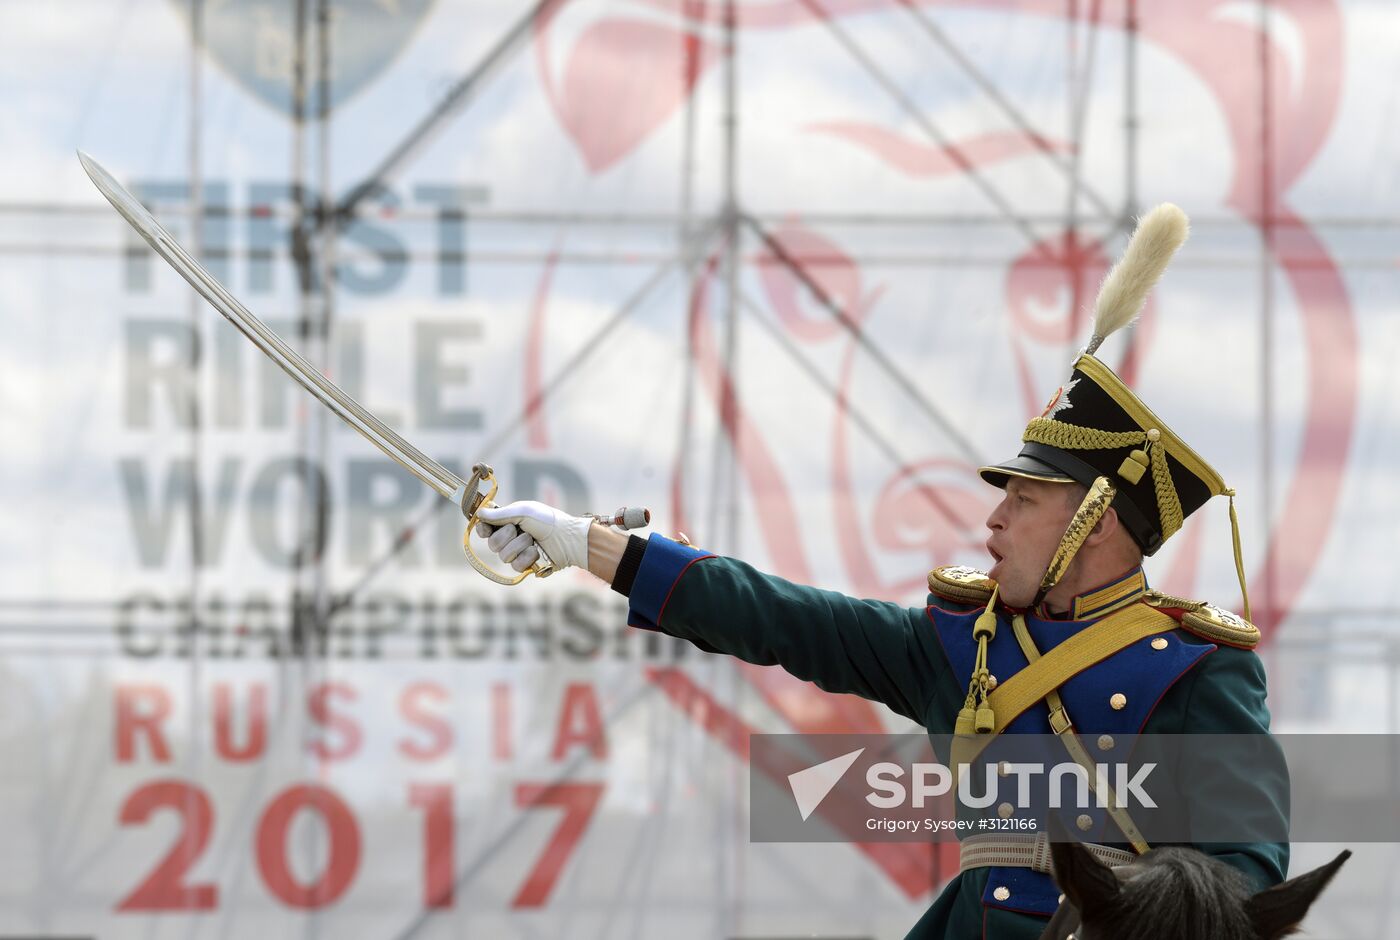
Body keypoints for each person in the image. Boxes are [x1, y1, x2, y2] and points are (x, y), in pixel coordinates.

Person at [475, 206, 1289, 939]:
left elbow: (1246, 877)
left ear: (1097, 521)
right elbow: (781, 616)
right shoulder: (958, 644)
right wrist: (587, 544)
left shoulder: (1200, 671)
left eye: (1024, 500)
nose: (994, 521)